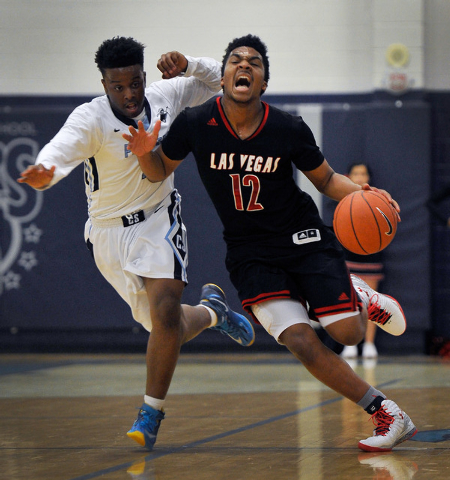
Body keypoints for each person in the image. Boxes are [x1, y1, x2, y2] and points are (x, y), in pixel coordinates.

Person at [123, 34, 418, 452]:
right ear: (222, 76)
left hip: (302, 238)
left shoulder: (287, 127)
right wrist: (141, 152)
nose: (244, 66)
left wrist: (366, 196)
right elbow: (156, 171)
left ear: (263, 83)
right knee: (299, 340)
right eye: (236, 61)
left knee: (350, 333)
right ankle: (388, 413)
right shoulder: (194, 123)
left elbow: (328, 180)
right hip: (250, 252)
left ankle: (356, 293)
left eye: (255, 63)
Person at [16, 36, 255, 450]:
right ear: (104, 84)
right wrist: (45, 170)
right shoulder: (89, 118)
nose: (128, 94)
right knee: (168, 328)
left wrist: (190, 64)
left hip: (159, 219)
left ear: (144, 76)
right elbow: (61, 150)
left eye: (134, 83)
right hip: (107, 233)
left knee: (163, 317)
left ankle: (151, 411)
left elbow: (227, 83)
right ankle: (212, 312)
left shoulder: (166, 94)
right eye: (117, 86)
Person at [340, 163, 384, 360]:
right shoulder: (341, 198)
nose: (359, 177)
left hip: (372, 255)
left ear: (369, 176)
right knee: (349, 301)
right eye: (355, 173)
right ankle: (350, 344)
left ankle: (369, 344)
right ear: (348, 176)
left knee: (371, 301)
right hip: (349, 256)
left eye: (363, 173)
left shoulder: (378, 199)